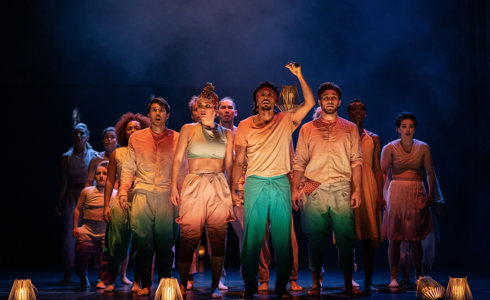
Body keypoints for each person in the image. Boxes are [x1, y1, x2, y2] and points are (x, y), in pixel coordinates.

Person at [231, 62, 315, 298]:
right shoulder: (245, 125)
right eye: (261, 95)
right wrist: (233, 190)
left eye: (269, 94)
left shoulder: (286, 119)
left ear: (275, 100)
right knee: (252, 240)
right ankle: (250, 287)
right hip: (255, 183)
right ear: (256, 101)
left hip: (279, 182)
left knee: (283, 240)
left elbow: (309, 103)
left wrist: (299, 75)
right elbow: (239, 161)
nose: (265, 97)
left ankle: (281, 288)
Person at [291, 82, 363, 296]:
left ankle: (348, 283)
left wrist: (357, 189)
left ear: (339, 101)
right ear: (320, 101)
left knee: (345, 238)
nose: (330, 100)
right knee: (315, 238)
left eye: (333, 97)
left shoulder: (349, 128)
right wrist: (295, 189)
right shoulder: (307, 128)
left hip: (341, 185)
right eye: (326, 97)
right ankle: (315, 282)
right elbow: (299, 162)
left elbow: (356, 161)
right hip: (314, 185)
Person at [171, 83, 235, 298]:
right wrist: (173, 187)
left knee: (218, 236)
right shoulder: (188, 129)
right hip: (194, 182)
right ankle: (182, 283)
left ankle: (215, 285)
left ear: (216, 109)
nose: (203, 109)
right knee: (189, 236)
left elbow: (229, 166)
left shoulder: (226, 133)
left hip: (218, 184)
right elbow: (178, 159)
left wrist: (233, 190)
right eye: (200, 106)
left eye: (208, 105)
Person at [118, 97, 186, 296]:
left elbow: (182, 168)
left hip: (167, 194)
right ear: (149, 115)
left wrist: (182, 193)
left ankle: (165, 282)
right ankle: (146, 284)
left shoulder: (177, 137)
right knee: (142, 241)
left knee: (166, 242)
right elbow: (129, 167)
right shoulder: (137, 138)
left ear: (168, 115)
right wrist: (123, 191)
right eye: (154, 110)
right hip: (143, 193)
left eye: (161, 110)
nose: (157, 113)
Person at [381, 112, 435, 287]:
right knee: (395, 237)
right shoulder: (389, 148)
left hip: (416, 190)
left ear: (415, 129)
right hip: (396, 191)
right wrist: (382, 196)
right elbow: (383, 173)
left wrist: (431, 194)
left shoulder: (423, 147)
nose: (407, 130)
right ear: (398, 129)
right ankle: (394, 277)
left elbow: (429, 172)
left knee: (415, 238)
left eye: (411, 126)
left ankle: (418, 276)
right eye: (404, 126)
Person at [102, 112, 150, 293]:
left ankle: (137, 282)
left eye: (137, 128)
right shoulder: (117, 153)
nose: (133, 131)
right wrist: (106, 205)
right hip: (121, 201)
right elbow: (109, 180)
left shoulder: (148, 152)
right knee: (116, 242)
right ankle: (112, 280)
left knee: (140, 243)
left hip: (143, 200)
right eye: (129, 128)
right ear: (124, 132)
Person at [346, 99, 384, 292]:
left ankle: (368, 280)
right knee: (347, 233)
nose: (358, 112)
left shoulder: (373, 138)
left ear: (366, 114)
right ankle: (348, 279)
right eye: (354, 110)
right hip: (348, 182)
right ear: (348, 113)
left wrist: (380, 193)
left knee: (369, 235)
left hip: (368, 182)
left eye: (361, 109)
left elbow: (378, 168)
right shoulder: (343, 135)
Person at [57, 123, 99, 283]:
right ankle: (68, 271)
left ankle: (86, 273)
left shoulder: (94, 155)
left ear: (87, 136)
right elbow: (64, 180)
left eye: (82, 133)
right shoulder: (67, 157)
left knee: (90, 233)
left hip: (89, 194)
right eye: (76, 133)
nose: (79, 136)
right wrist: (60, 200)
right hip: (72, 195)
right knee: (69, 234)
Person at [73, 162, 116, 288]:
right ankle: (82, 275)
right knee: (81, 255)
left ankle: (103, 280)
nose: (101, 176)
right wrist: (75, 226)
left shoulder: (114, 193)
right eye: (98, 173)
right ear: (94, 176)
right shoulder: (87, 191)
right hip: (88, 230)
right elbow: (77, 209)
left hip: (105, 231)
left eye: (104, 173)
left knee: (107, 259)